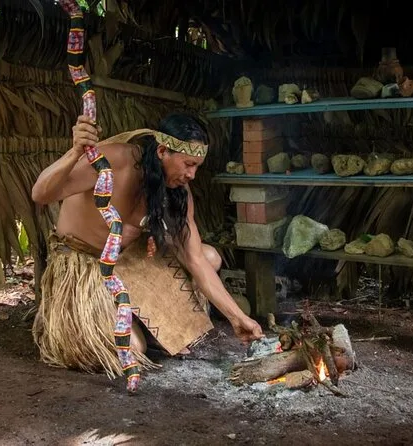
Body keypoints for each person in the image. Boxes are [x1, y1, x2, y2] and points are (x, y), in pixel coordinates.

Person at [30, 112, 264, 378]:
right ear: (163, 151)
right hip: (86, 266)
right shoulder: (114, 161)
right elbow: (41, 194)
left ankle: (147, 325)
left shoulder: (177, 189)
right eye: (188, 164)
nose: (192, 175)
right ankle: (120, 327)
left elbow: (196, 259)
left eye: (197, 167)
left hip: (128, 260)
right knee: (132, 350)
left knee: (210, 257)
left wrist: (237, 318)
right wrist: (75, 152)